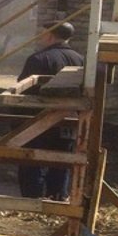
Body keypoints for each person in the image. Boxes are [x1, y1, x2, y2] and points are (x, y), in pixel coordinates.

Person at [16, 21, 83, 201]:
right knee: (61, 162)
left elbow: (23, 93)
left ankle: (32, 203)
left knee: (32, 162)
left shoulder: (38, 59)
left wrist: (16, 122)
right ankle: (58, 200)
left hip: (38, 121)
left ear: (50, 36)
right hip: (70, 121)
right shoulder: (80, 60)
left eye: (42, 34)